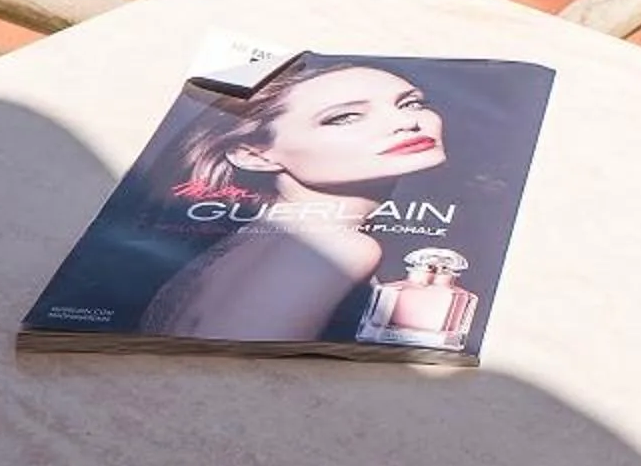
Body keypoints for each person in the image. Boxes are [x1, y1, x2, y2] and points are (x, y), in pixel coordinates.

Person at [139, 58, 458, 345]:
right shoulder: (335, 248)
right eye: (344, 117)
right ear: (254, 155)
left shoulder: (259, 242)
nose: (407, 122)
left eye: (411, 103)